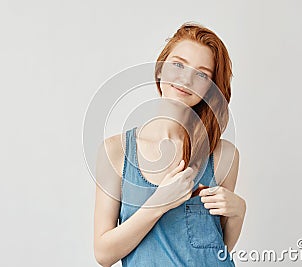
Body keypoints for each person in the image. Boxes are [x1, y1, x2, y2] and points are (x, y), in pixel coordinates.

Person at [94, 22, 246, 267]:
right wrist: (158, 203)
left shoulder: (222, 155)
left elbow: (219, 248)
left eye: (201, 74)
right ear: (160, 70)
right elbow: (103, 254)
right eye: (178, 64)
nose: (186, 78)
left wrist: (239, 211)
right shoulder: (116, 151)